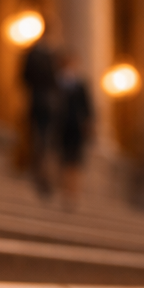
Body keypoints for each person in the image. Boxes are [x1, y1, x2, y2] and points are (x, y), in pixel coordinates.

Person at [21, 32, 59, 198]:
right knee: (40, 139)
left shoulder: (51, 55)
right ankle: (40, 175)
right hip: (40, 104)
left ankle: (44, 176)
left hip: (44, 105)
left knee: (44, 140)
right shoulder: (40, 55)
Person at [55, 50, 93, 210]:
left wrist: (88, 125)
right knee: (62, 159)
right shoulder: (56, 83)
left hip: (76, 128)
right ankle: (64, 190)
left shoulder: (80, 85)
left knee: (75, 161)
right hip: (60, 126)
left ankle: (73, 193)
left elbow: (88, 108)